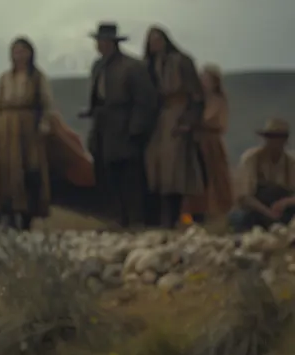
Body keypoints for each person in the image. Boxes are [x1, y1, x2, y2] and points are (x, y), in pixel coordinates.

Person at [81, 23, 158, 228]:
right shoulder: (98, 66)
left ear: (113, 43)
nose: (100, 45)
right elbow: (98, 96)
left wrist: (136, 127)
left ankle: (136, 219)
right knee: (107, 174)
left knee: (130, 175)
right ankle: (117, 218)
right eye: (98, 42)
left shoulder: (132, 66)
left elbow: (145, 100)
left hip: (124, 124)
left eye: (104, 41)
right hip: (103, 126)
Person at [0, 37, 54, 228]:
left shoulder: (37, 78)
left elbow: (47, 104)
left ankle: (27, 214)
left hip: (28, 128)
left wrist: (44, 123)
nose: (19, 55)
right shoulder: (4, 78)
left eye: (23, 51)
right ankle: (8, 213)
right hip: (5, 127)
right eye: (16, 51)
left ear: (30, 53)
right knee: (5, 170)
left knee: (29, 169)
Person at [144, 26, 206, 228]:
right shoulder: (149, 65)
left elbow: (197, 96)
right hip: (158, 118)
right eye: (151, 39)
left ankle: (175, 218)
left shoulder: (182, 61)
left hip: (178, 115)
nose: (155, 43)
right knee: (155, 168)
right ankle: (161, 219)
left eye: (158, 38)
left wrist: (188, 122)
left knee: (175, 171)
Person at [183, 64, 233, 222]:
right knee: (197, 179)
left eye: (207, 79)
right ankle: (194, 214)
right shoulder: (197, 100)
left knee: (215, 178)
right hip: (196, 142)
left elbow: (217, 123)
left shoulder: (218, 101)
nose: (203, 82)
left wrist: (199, 124)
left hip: (211, 144)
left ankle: (219, 213)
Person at [227, 118, 295, 231]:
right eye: (271, 137)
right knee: (241, 219)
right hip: (256, 210)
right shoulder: (251, 159)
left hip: (282, 212)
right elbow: (244, 197)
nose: (274, 141)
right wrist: (267, 212)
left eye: (278, 137)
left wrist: (284, 203)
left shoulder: (291, 163)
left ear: (285, 140)